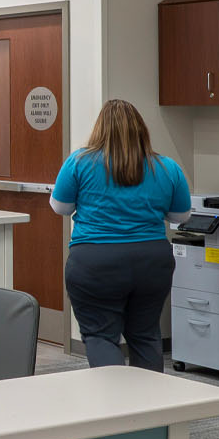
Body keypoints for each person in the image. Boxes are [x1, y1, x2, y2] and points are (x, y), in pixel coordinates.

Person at [50, 99, 191, 371]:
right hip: (151, 262)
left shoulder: (79, 162)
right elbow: (180, 216)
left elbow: (60, 207)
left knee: (101, 336)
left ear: (99, 129)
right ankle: (150, 409)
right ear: (141, 130)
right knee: (145, 334)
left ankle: (116, 405)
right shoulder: (166, 167)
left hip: (95, 262)